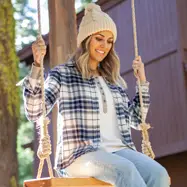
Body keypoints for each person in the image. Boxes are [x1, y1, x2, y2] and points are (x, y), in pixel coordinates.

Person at [20, 3, 169, 187]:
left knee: (159, 174)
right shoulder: (63, 74)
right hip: (79, 154)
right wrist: (36, 65)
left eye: (109, 41)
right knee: (125, 170)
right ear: (86, 39)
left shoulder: (113, 81)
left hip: (119, 151)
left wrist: (142, 83)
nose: (104, 46)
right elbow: (34, 112)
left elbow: (137, 121)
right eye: (99, 38)